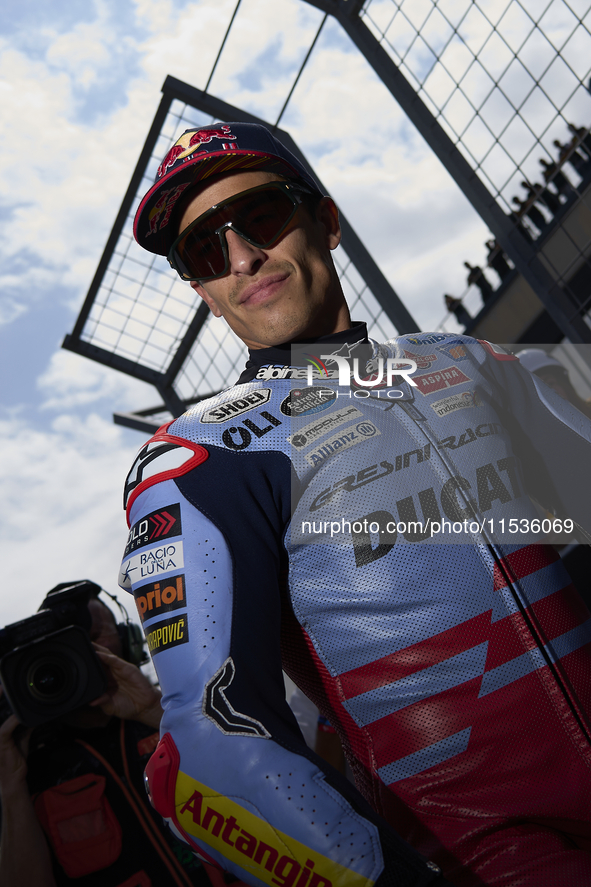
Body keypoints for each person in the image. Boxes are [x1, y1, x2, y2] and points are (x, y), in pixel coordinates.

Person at [120, 122, 591, 887]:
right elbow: (207, 752)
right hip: (491, 857)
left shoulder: (460, 358)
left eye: (261, 217)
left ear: (327, 222)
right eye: (206, 251)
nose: (241, 256)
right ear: (202, 291)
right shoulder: (201, 457)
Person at [0, 586, 211, 887]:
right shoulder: (26, 763)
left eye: (94, 636)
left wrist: (153, 711)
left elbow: (257, 783)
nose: (83, 651)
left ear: (128, 640)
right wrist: (10, 786)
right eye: (68, 642)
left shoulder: (174, 713)